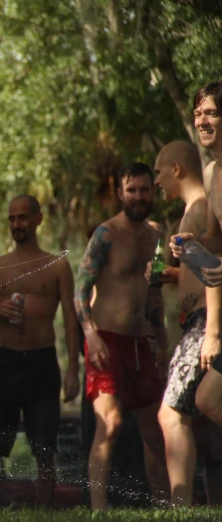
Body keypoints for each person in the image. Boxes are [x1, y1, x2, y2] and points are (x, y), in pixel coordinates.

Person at [74, 162, 170, 509]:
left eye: (144, 190)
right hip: (107, 340)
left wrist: (161, 341)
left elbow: (155, 291)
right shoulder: (106, 234)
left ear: (151, 191)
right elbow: (80, 290)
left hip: (141, 344)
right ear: (120, 194)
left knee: (156, 435)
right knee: (110, 424)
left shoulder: (157, 236)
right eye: (132, 191)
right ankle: (98, 509)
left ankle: (164, 507)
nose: (138, 197)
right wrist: (91, 334)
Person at [0, 195, 80, 507]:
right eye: (12, 219)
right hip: (5, 359)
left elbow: (69, 319)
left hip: (42, 360)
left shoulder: (57, 266)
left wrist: (73, 371)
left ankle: (45, 509)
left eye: (23, 218)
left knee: (44, 445)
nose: (16, 224)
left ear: (38, 219)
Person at [153, 141, 222, 505]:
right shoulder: (195, 211)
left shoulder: (198, 209)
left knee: (171, 414)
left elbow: (214, 265)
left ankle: (179, 507)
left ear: (176, 169)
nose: (156, 182)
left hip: (205, 322)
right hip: (198, 320)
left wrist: (212, 329)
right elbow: (202, 264)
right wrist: (174, 275)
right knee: (204, 412)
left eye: (158, 172)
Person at [170, 82, 222, 429]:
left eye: (212, 113)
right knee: (207, 400)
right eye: (198, 113)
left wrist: (213, 331)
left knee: (206, 399)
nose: (203, 121)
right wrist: (192, 244)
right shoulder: (212, 173)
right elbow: (215, 242)